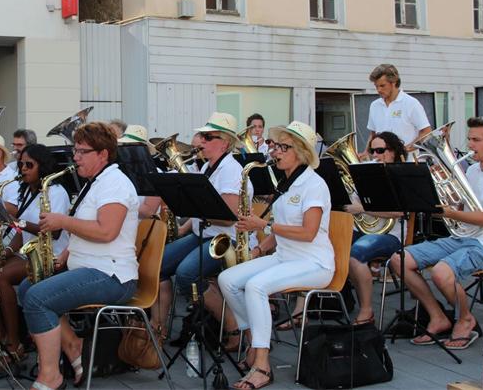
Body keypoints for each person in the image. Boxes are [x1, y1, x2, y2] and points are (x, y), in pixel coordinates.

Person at [21, 122, 139, 390]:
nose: (75, 157)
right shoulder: (95, 183)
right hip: (89, 267)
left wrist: (63, 221)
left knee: (38, 299)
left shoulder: (115, 184)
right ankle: (73, 347)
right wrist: (65, 254)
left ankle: (50, 376)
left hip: (112, 275)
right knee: (28, 287)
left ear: (103, 154)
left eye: (82, 152)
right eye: (75, 151)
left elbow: (106, 231)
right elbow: (85, 229)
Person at [218, 121, 334, 389]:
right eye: (275, 146)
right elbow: (281, 229)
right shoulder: (286, 183)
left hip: (314, 262)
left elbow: (308, 233)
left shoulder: (314, 185)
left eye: (284, 147)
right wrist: (259, 249)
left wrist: (263, 225)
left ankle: (262, 365)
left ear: (302, 152)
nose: (275, 152)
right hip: (285, 257)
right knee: (227, 279)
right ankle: (254, 341)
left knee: (256, 286)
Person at [391, 116, 483, 350]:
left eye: (476, 140)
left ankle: (465, 319)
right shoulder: (473, 170)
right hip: (463, 237)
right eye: (469, 139)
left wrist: (452, 213)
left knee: (441, 273)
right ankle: (437, 316)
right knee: (399, 260)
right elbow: (461, 207)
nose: (470, 145)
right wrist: (439, 190)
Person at [152, 112, 250, 351]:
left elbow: (228, 218)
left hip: (225, 239)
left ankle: (231, 324)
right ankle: (158, 328)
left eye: (208, 137)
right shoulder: (207, 166)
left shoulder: (231, 170)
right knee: (157, 266)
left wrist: (192, 206)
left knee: (186, 275)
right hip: (203, 235)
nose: (201, 142)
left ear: (224, 142)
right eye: (202, 137)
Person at [0, 143, 70, 368]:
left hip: (49, 255)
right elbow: (19, 231)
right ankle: (0, 338)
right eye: (21, 164)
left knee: (0, 276)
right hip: (27, 253)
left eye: (29, 165)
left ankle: (14, 343)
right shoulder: (27, 190)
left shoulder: (56, 191)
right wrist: (6, 252)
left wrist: (20, 223)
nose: (23, 169)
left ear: (42, 166)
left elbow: (54, 233)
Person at [344, 131, 406, 325]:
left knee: (355, 255)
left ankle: (366, 309)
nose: (375, 155)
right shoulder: (366, 172)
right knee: (332, 247)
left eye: (380, 150)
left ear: (393, 151)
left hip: (391, 234)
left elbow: (400, 212)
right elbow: (353, 201)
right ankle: (341, 300)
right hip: (365, 229)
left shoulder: (400, 175)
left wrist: (364, 208)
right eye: (372, 151)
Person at [362, 64, 431, 158]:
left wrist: (405, 150)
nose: (378, 90)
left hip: (407, 162)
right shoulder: (374, 105)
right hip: (382, 163)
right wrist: (367, 152)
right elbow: (373, 134)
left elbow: (426, 132)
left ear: (394, 82)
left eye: (382, 85)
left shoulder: (411, 103)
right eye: (376, 86)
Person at [118, 124, 162, 218]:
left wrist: (116, 202)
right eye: (125, 145)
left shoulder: (157, 174)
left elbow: (149, 211)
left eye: (132, 146)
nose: (127, 150)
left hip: (143, 225)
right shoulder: (119, 171)